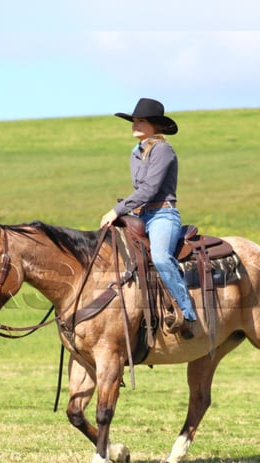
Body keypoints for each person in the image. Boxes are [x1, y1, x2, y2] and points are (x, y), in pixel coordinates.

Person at [100, 98, 197, 339]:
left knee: (161, 258)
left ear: (155, 125)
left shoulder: (163, 150)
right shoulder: (136, 152)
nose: (135, 124)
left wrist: (117, 210)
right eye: (134, 121)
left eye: (141, 121)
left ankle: (187, 313)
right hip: (141, 215)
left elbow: (150, 189)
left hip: (163, 214)